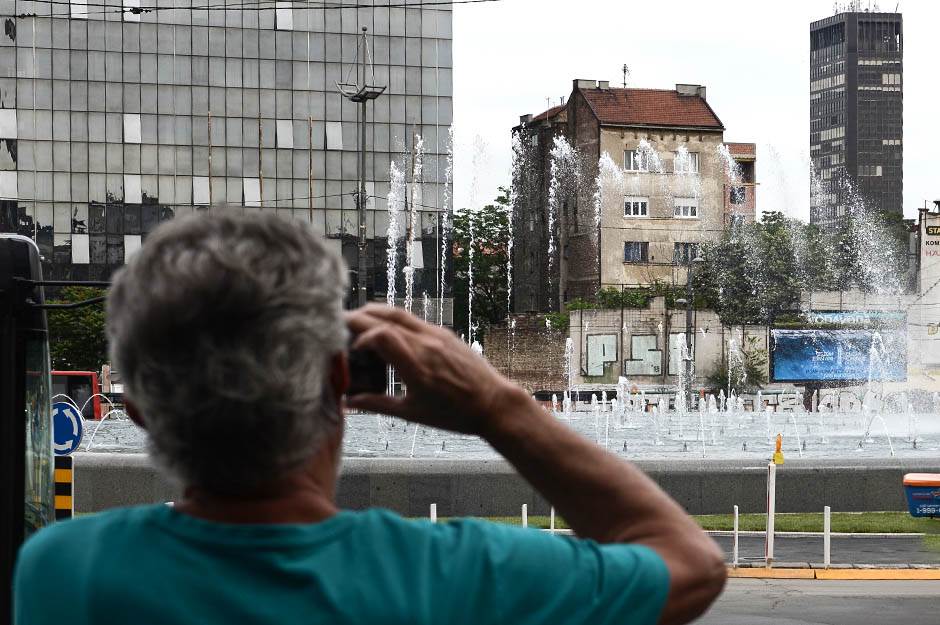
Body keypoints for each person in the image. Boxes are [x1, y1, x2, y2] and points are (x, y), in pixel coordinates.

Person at [14, 212, 725, 625]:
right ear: (338, 378)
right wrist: (499, 406)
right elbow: (692, 564)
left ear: (137, 411)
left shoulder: (63, 572)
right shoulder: (458, 574)